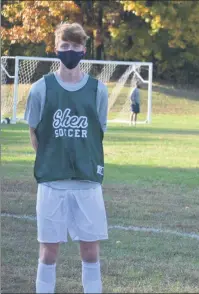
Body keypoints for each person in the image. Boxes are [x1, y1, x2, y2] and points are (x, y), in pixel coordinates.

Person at [24, 22, 109, 293]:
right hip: (52, 182)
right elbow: (34, 132)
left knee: (91, 251)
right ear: (56, 49)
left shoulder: (98, 90)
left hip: (87, 182)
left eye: (75, 46)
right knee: (48, 251)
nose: (69, 51)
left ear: (83, 50)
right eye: (64, 46)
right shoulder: (41, 88)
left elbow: (99, 131)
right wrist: (54, 159)